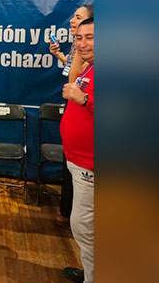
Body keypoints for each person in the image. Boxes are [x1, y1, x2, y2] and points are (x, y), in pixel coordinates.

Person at [59, 17, 95, 283]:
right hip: (79, 161)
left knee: (84, 226)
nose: (82, 43)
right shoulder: (90, 67)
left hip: (90, 164)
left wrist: (83, 99)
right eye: (78, 38)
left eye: (90, 37)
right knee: (87, 227)